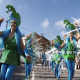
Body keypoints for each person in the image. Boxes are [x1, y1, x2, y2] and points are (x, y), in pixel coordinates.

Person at [0, 5, 32, 80]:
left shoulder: (18, 36)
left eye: (14, 23)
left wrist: (27, 54)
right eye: (12, 22)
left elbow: (23, 47)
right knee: (2, 77)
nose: (13, 23)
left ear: (16, 25)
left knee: (7, 77)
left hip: (14, 57)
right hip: (5, 56)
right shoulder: (5, 33)